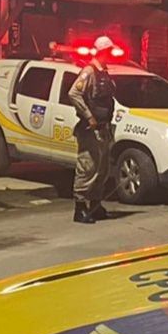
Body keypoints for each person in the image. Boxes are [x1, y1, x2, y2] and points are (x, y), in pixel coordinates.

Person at [67, 36, 118, 224]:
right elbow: (74, 93)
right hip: (90, 130)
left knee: (101, 170)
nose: (110, 54)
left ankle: (95, 206)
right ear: (101, 51)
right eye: (108, 51)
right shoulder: (89, 71)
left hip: (103, 128)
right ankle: (80, 208)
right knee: (87, 168)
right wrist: (89, 116)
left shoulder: (103, 72)